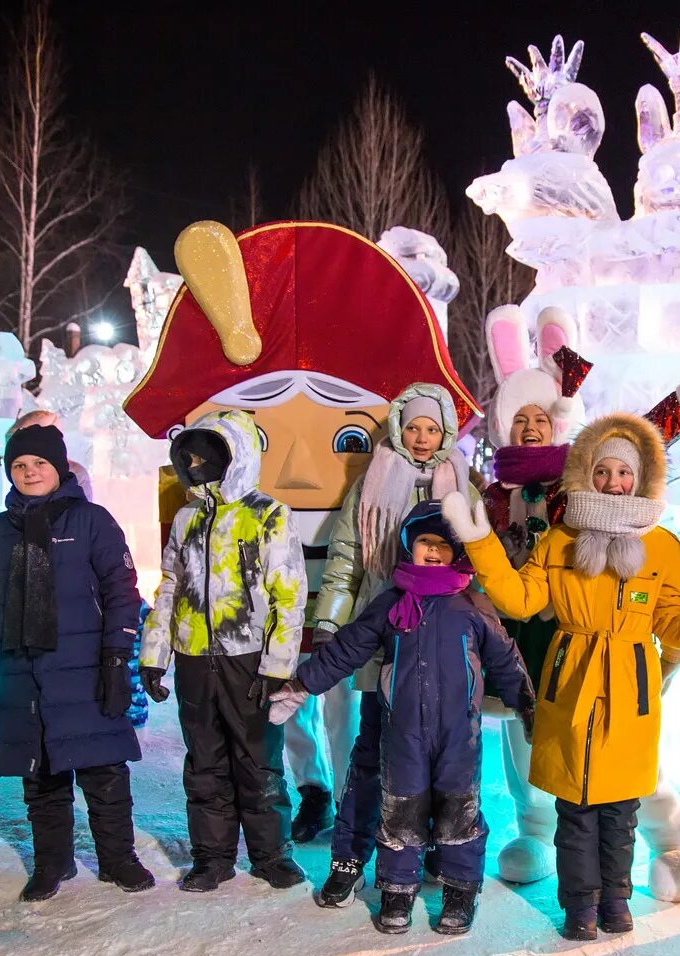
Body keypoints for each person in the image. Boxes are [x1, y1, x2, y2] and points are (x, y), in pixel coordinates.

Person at [122, 219, 484, 851]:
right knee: (285, 702)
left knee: (344, 704)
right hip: (269, 607)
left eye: (347, 434)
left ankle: (351, 798)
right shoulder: (235, 505)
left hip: (353, 608)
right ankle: (309, 787)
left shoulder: (396, 475)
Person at [443, 413, 680, 940]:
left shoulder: (662, 547)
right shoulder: (559, 541)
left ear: (641, 478)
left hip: (631, 689)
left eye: (624, 473)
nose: (613, 483)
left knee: (619, 808)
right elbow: (520, 599)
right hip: (570, 679)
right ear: (585, 476)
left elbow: (675, 623)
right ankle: (579, 906)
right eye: (602, 472)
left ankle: (615, 902)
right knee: (573, 808)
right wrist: (480, 541)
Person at [478, 303, 680, 897]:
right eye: (519, 419)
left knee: (629, 760)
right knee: (528, 753)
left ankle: (671, 844)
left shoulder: (581, 479)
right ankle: (537, 834)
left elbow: (637, 443)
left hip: (597, 637)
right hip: (520, 643)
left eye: (540, 416)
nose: (531, 428)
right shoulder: (491, 494)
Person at [276, 502, 535, 934]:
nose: (432, 552)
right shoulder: (391, 603)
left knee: (460, 812)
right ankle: (397, 891)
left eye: (442, 545)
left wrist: (526, 705)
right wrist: (301, 685)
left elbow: (506, 659)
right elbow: (347, 648)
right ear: (408, 547)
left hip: (458, 737)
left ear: (457, 553)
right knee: (401, 811)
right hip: (403, 734)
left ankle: (460, 891)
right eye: (424, 543)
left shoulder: (471, 606)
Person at [0, 423, 153, 902]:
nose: (29, 472)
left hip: (86, 669)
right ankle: (52, 862)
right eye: (19, 465)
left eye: (38, 464)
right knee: (39, 774)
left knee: (104, 771)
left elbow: (122, 593)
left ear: (58, 467)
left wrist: (115, 658)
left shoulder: (92, 521)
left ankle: (118, 858)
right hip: (23, 673)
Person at [308, 383, 482, 908]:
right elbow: (347, 556)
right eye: (414, 427)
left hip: (444, 645)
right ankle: (349, 858)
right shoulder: (373, 480)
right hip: (384, 634)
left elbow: (481, 561)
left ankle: (433, 852)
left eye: (432, 429)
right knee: (372, 756)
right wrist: (328, 622)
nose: (423, 438)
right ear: (399, 429)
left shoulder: (462, 486)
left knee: (447, 762)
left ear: (446, 431)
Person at [139, 409, 307, 893]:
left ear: (233, 457)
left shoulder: (267, 514)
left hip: (248, 659)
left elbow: (289, 595)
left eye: (206, 455)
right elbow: (169, 587)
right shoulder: (188, 517)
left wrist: (278, 666)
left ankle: (271, 854)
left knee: (258, 760)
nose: (195, 465)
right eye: (188, 457)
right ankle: (211, 857)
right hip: (195, 659)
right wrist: (155, 653)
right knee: (205, 761)